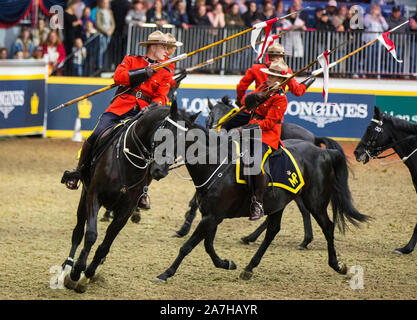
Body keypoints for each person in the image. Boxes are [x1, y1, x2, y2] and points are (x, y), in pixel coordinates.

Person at [61, 31, 172, 211]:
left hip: (143, 113)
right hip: (120, 107)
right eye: (163, 47)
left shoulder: (165, 71)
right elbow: (118, 77)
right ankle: (79, 172)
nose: (166, 51)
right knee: (96, 134)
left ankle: (143, 190)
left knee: (152, 147)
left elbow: (162, 97)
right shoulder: (131, 60)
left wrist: (151, 108)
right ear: (153, 46)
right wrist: (143, 72)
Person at [236, 42, 313, 106]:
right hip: (275, 105)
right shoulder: (286, 70)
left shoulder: (256, 68)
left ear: (268, 55)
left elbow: (241, 87)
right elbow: (297, 91)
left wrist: (240, 99)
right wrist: (309, 81)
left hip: (257, 105)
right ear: (281, 57)